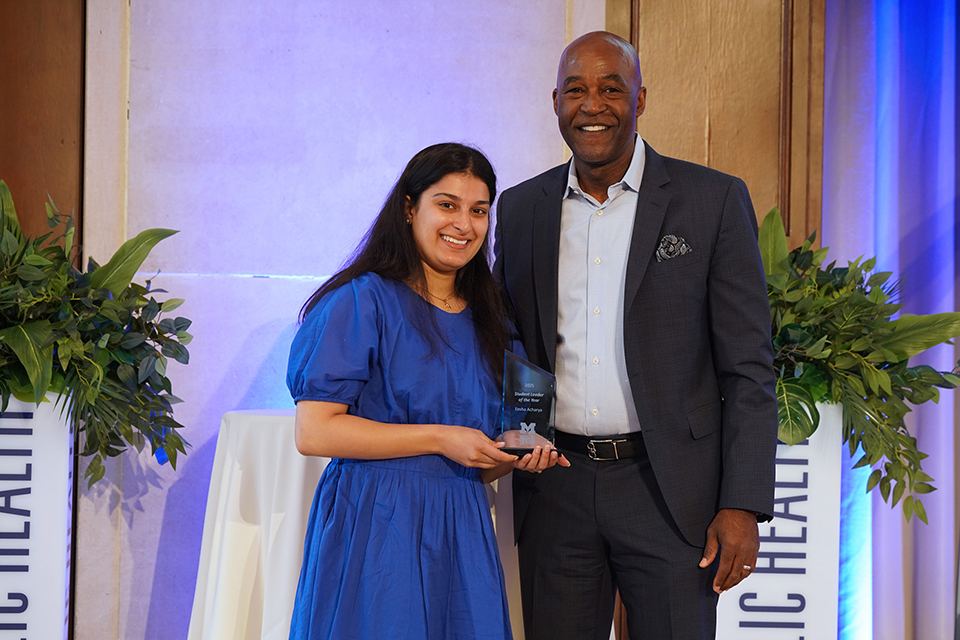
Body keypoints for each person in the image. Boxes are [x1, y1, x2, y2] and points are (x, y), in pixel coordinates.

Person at [493, 32, 778, 640]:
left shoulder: (712, 201)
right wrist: (524, 434)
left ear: (640, 99)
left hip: (672, 492)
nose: (591, 105)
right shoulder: (521, 210)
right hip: (555, 487)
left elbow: (749, 367)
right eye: (576, 90)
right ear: (555, 102)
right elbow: (515, 341)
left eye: (610, 88)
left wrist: (742, 502)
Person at [286, 142, 567, 640]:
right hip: (376, 522)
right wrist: (441, 438)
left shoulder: (494, 319)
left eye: (479, 210)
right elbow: (315, 432)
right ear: (410, 207)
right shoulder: (361, 299)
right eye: (447, 204)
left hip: (462, 522)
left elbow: (485, 459)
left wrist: (518, 453)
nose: (464, 223)